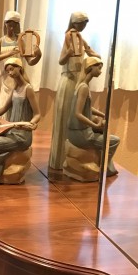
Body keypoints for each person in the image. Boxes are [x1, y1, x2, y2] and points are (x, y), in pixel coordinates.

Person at [48, 12, 100, 170]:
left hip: (78, 79)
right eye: (82, 23)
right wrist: (69, 53)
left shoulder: (80, 38)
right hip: (69, 79)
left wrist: (96, 57)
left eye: (85, 24)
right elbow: (61, 60)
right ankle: (60, 160)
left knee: (77, 112)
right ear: (75, 23)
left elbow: (90, 51)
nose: (83, 26)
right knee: (65, 116)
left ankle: (72, 158)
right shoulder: (68, 37)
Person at [66, 56, 119, 177]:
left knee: (103, 130)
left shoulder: (82, 85)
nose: (100, 71)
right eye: (99, 68)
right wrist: (94, 125)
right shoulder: (83, 87)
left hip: (78, 132)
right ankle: (105, 167)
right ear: (90, 68)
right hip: (80, 134)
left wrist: (102, 114)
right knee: (115, 140)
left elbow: (87, 108)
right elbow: (78, 113)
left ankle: (102, 163)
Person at [0, 10, 41, 115]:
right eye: (9, 25)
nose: (11, 28)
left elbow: (30, 62)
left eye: (14, 25)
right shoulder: (1, 41)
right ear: (5, 24)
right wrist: (9, 53)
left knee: (18, 111)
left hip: (18, 80)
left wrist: (38, 55)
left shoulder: (20, 40)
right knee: (3, 110)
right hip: (6, 80)